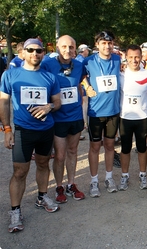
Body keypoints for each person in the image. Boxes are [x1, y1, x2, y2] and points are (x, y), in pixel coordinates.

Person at [0, 38, 61, 233]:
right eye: (31, 50)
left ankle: (42, 196)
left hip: (45, 130)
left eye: (39, 51)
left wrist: (48, 106)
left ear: (43, 53)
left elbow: (57, 102)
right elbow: (3, 103)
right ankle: (15, 211)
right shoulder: (11, 75)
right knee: (20, 172)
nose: (35, 54)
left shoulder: (50, 77)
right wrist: (7, 130)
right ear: (23, 53)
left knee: (43, 164)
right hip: (23, 131)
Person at [41, 35, 86, 204]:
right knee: (59, 155)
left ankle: (71, 184)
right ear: (58, 48)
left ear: (75, 49)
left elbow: (82, 83)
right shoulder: (48, 64)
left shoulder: (80, 65)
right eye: (64, 47)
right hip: (58, 118)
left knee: (73, 152)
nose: (68, 50)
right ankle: (59, 186)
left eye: (71, 47)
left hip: (75, 116)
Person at [81, 31, 121, 197]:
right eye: (103, 43)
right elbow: (80, 75)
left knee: (110, 146)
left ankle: (109, 178)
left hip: (113, 111)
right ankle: (94, 180)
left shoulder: (118, 59)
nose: (107, 46)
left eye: (110, 42)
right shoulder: (88, 61)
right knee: (95, 147)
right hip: (96, 112)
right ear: (97, 45)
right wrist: (86, 85)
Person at [118, 44, 147, 191]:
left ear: (141, 57)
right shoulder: (120, 74)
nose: (134, 60)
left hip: (142, 117)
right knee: (125, 149)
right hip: (125, 117)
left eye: (137, 57)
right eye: (131, 57)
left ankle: (143, 175)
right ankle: (124, 176)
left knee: (142, 148)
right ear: (126, 57)